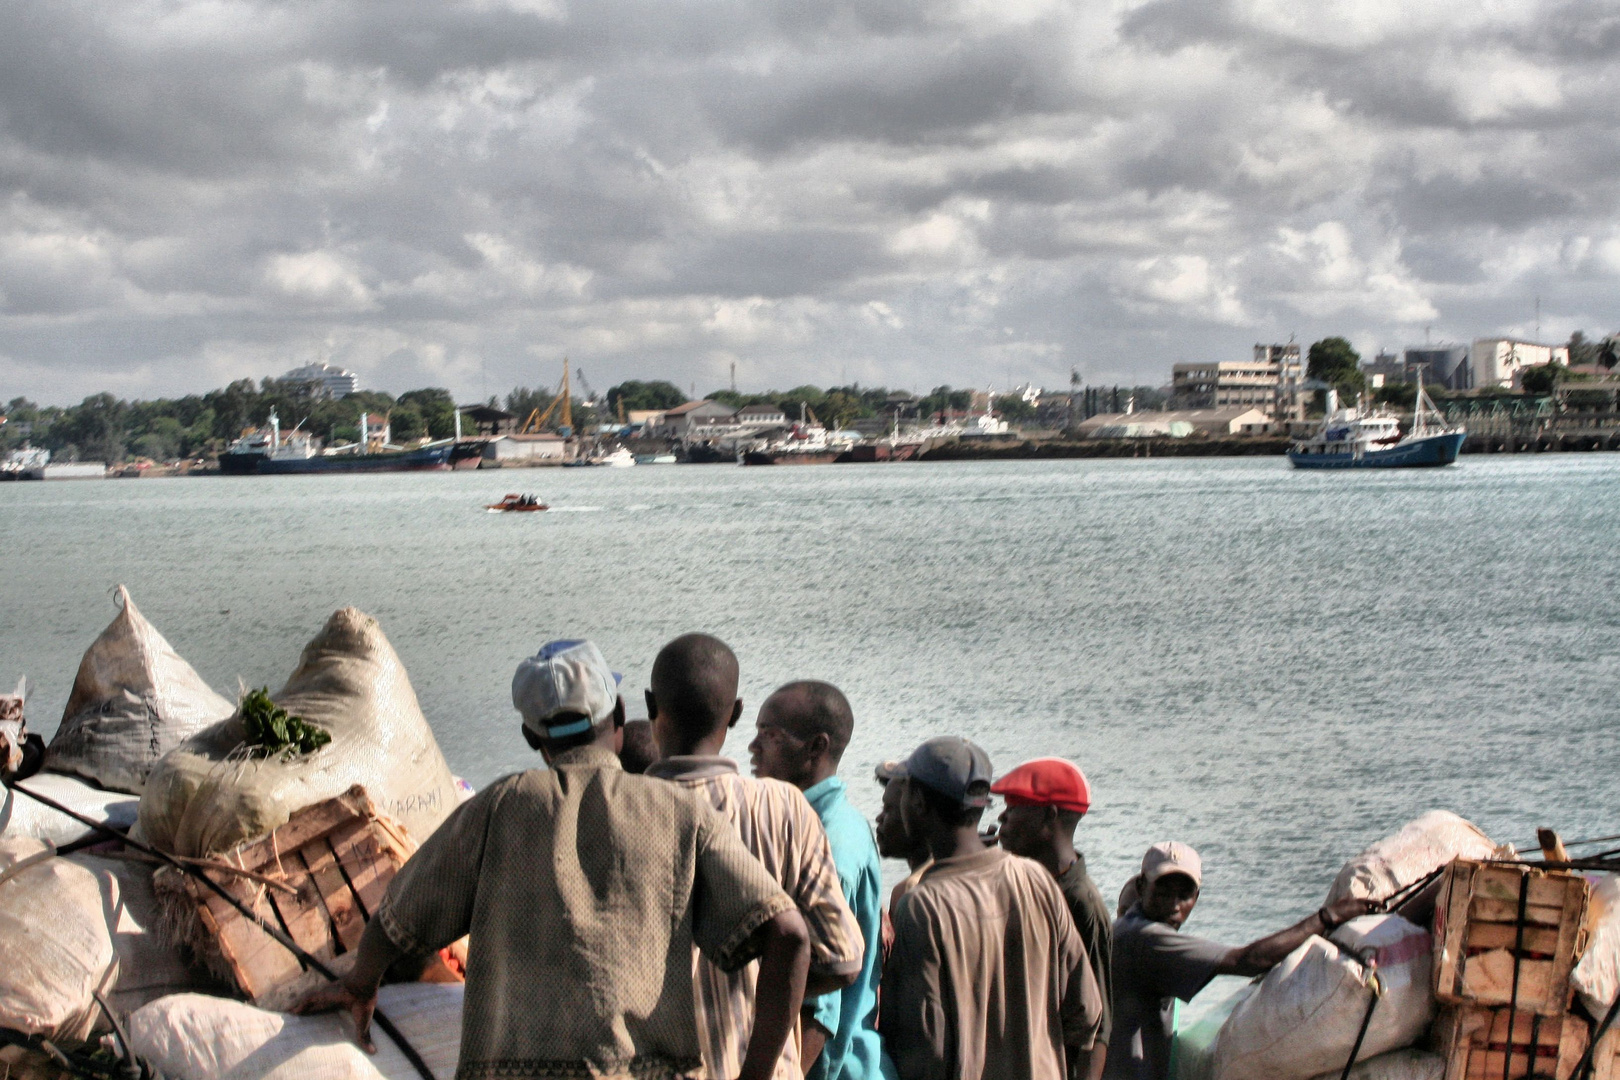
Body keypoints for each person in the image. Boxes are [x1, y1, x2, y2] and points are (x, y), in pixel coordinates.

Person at [293, 639, 812, 1080]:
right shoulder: (680, 813)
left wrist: (360, 986)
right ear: (620, 717)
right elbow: (789, 934)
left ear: (531, 737)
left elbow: (397, 920)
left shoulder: (498, 807)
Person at [644, 633, 865, 1080]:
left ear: (651, 706)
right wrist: (766, 985)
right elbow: (842, 959)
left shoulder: (618, 809)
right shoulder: (784, 809)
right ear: (738, 713)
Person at [880, 736, 1102, 1080]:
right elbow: (1086, 1012)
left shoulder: (923, 905)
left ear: (919, 802)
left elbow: (927, 1047)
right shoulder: (1036, 880)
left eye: (906, 791)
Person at [1107, 842, 1379, 1080]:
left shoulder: (1127, 925)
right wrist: (1325, 918)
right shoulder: (1146, 938)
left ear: (1197, 897)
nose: (1175, 904)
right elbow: (1249, 960)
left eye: (1185, 894)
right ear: (1143, 886)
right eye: (1164, 891)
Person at [749, 680, 893, 1080]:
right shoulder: (817, 824)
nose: (753, 747)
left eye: (769, 735)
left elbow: (819, 1013)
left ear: (816, 747)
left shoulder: (827, 843)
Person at [991, 758, 1113, 1080]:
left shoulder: (1081, 903)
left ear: (1049, 815)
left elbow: (1098, 1022)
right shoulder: (1018, 883)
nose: (1002, 816)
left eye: (1014, 807)